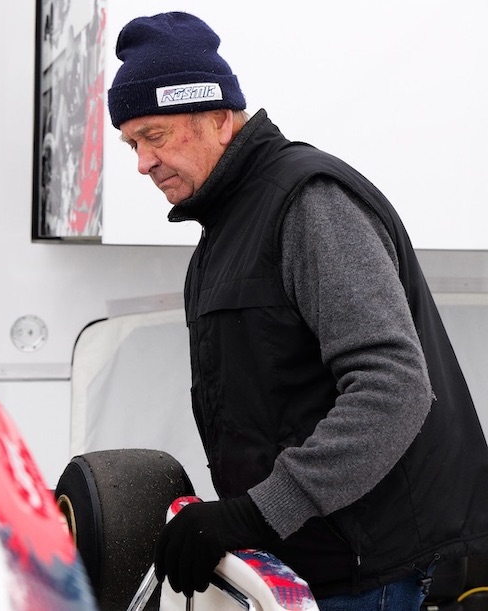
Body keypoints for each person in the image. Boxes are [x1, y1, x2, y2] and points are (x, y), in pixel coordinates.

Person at [107, 11, 488, 611]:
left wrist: (256, 512)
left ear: (218, 116)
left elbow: (393, 388)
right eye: (132, 144)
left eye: (154, 135)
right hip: (298, 566)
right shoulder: (226, 228)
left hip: (363, 574)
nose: (142, 162)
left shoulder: (308, 202)